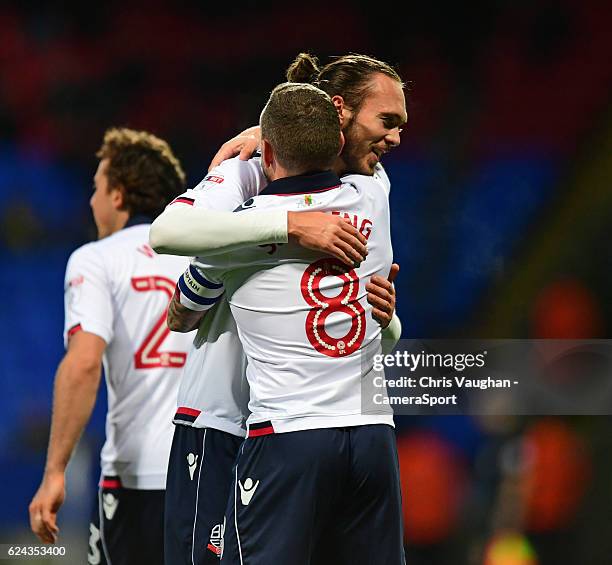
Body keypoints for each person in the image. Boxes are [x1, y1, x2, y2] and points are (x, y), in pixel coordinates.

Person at [150, 52, 405, 564]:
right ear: (339, 117)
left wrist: (386, 317)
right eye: (387, 121)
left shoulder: (358, 190)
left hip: (285, 433)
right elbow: (177, 245)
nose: (395, 139)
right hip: (222, 418)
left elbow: (184, 297)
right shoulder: (257, 180)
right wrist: (291, 224)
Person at [29, 128, 192, 565]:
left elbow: (83, 364)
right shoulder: (206, 259)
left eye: (97, 188)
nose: (91, 201)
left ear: (118, 196)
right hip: (208, 471)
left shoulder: (96, 258)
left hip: (136, 477)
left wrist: (55, 472)